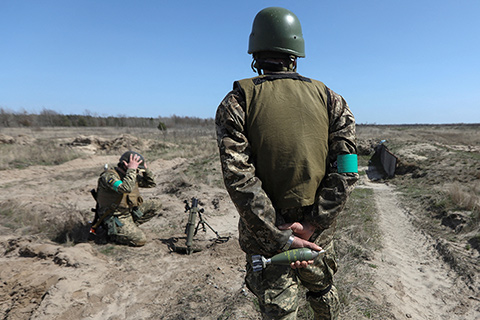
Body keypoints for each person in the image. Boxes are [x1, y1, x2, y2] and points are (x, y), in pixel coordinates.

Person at [215, 7, 358, 320]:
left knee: (279, 311)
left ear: (255, 54)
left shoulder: (237, 102)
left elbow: (239, 178)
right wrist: (313, 224)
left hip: (266, 240)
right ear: (296, 54)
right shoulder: (332, 99)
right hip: (317, 236)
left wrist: (278, 234)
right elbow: (347, 169)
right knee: (322, 292)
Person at [94, 151, 156, 246]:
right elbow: (125, 188)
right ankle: (113, 233)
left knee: (156, 205)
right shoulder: (109, 177)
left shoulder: (129, 176)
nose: (137, 172)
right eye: (136, 170)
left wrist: (145, 169)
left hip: (128, 211)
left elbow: (151, 183)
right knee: (140, 240)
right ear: (124, 165)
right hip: (115, 215)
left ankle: (129, 227)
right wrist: (131, 170)